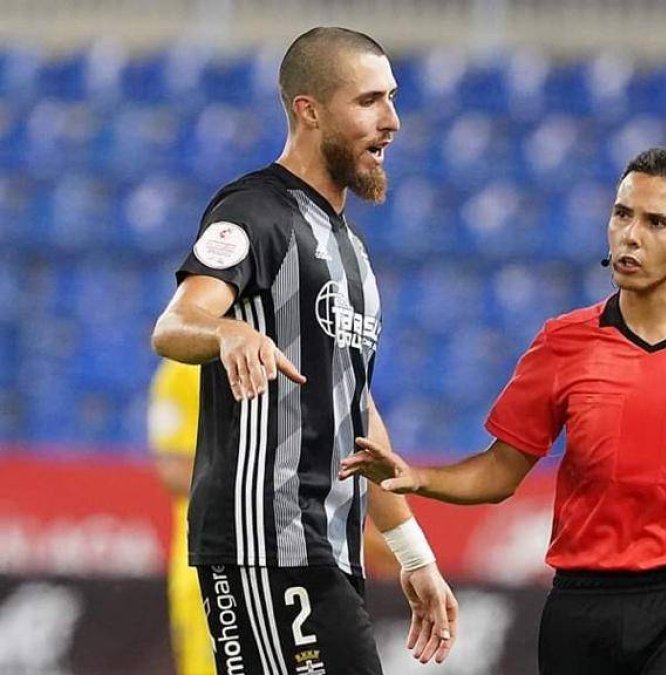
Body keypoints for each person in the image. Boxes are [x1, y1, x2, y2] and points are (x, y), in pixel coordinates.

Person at [340, 146, 666, 675]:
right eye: (622, 214)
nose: (631, 235)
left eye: (656, 222)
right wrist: (417, 476)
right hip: (582, 605)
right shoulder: (563, 343)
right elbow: (501, 471)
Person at [151, 27, 457, 675]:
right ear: (309, 110)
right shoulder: (254, 210)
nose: (392, 121)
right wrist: (225, 331)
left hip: (329, 550)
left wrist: (412, 552)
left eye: (393, 100)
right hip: (266, 546)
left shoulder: (353, 254)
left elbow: (359, 417)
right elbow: (177, 323)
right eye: (369, 101)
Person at [148, 359, 216, 675]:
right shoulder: (181, 368)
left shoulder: (288, 348)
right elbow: (173, 470)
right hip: (206, 559)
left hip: (280, 554)